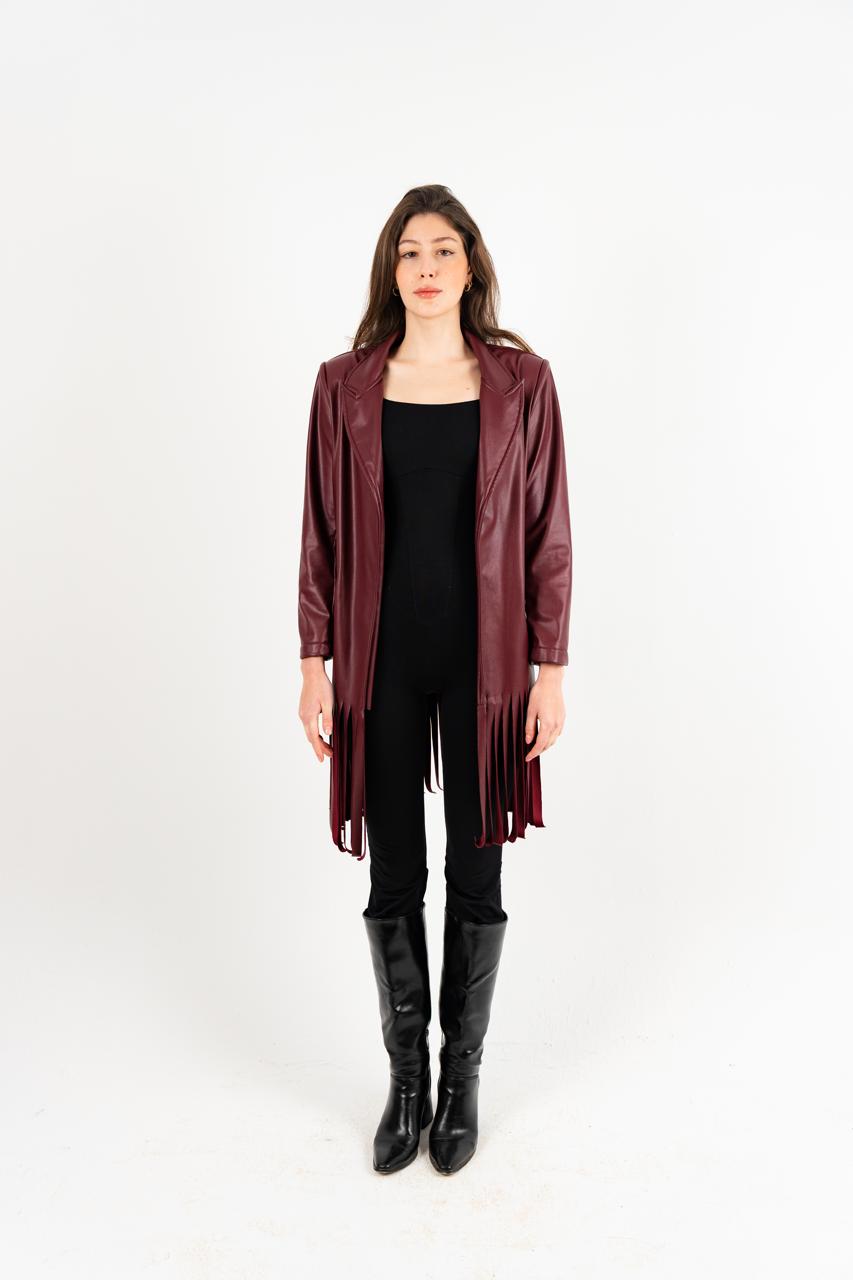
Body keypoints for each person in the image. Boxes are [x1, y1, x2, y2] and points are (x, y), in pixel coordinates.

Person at [297, 183, 572, 1176]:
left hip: (487, 667)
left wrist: (549, 670)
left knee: (477, 872)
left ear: (469, 266)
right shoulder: (342, 386)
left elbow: (546, 533)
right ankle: (406, 1082)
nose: (425, 266)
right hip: (378, 663)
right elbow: (320, 532)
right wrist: (313, 661)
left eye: (443, 250)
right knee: (393, 876)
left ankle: (462, 1081)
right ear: (391, 268)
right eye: (409, 250)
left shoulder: (520, 383)